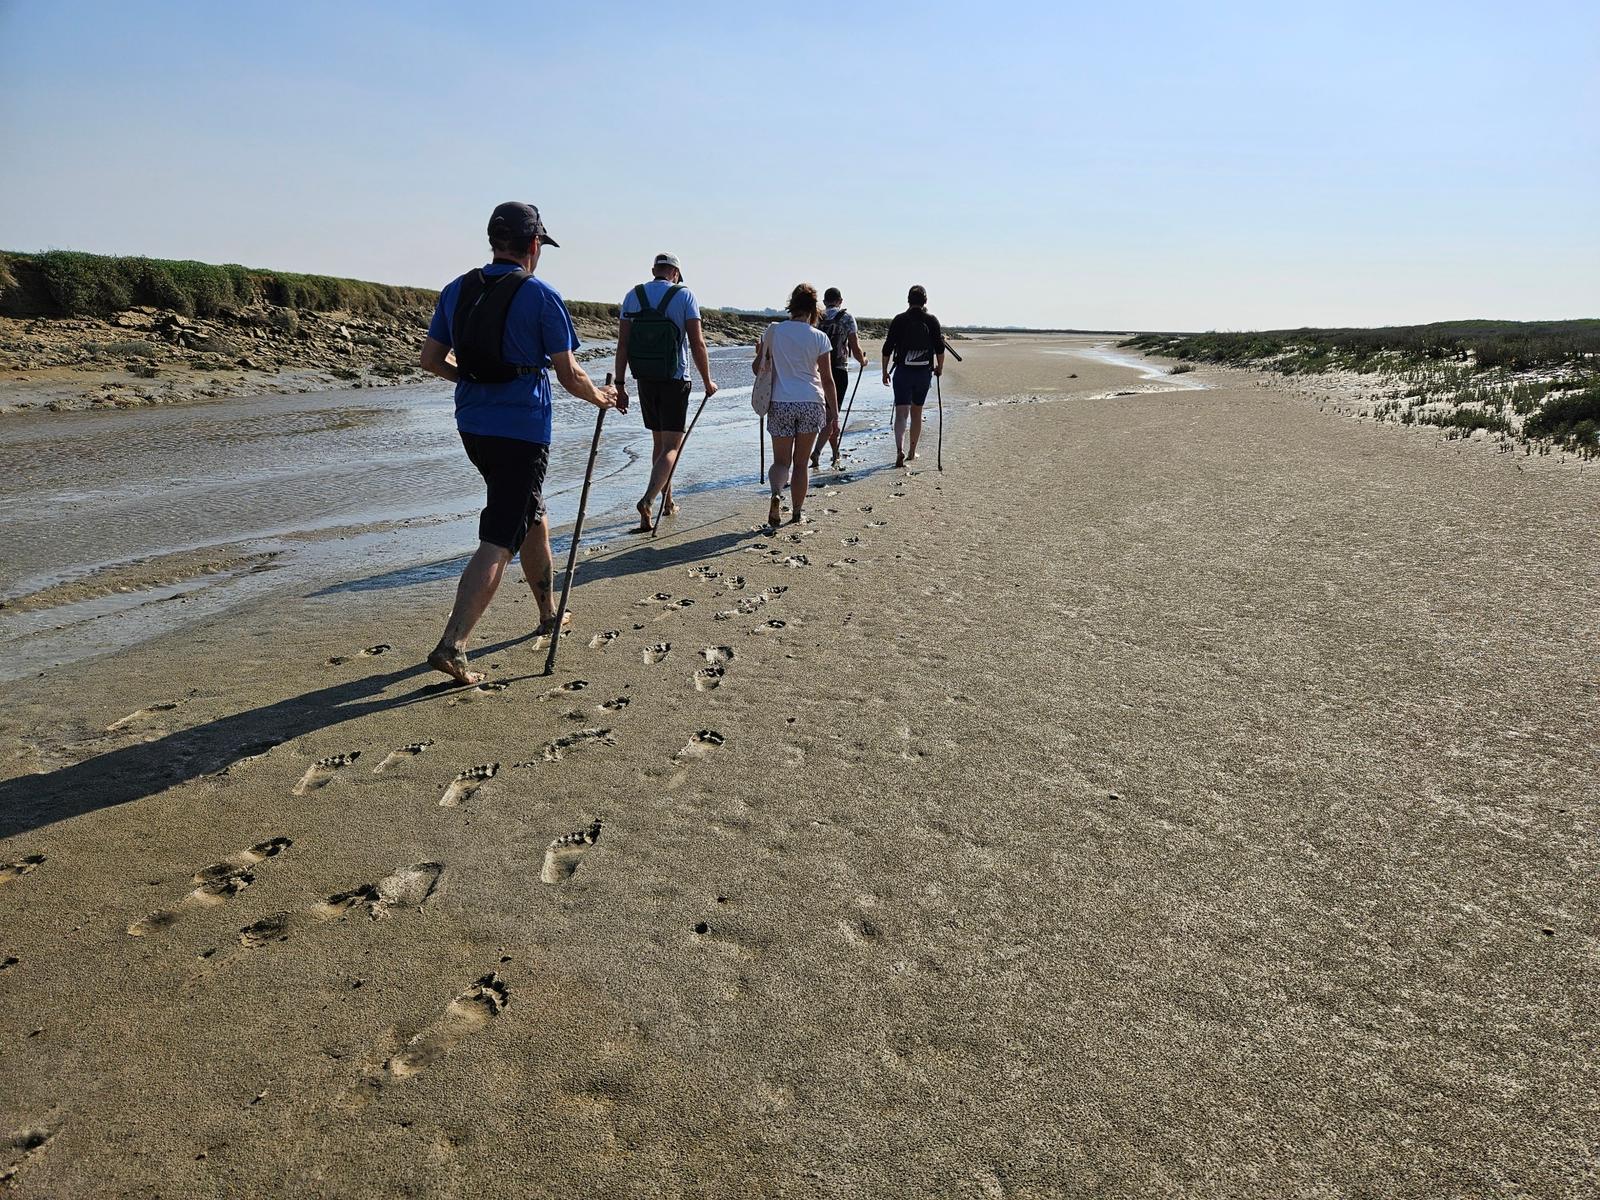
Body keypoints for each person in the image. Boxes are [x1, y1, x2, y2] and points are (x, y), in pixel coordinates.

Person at [419, 201, 618, 686]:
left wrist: (473, 381)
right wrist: (602, 397)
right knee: (500, 536)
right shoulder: (540, 295)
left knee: (532, 513)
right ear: (533, 244)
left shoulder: (457, 288)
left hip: (473, 426)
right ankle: (452, 644)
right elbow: (569, 373)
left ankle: (548, 612)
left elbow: (430, 360)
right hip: (521, 431)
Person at [614, 253, 717, 532]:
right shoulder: (684, 295)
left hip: (645, 379)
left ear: (654, 270)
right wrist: (708, 381)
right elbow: (697, 343)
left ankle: (667, 501)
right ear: (675, 273)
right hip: (674, 379)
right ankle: (649, 500)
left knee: (659, 446)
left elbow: (622, 345)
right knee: (672, 447)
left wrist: (620, 386)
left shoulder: (633, 295)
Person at [752, 283, 839, 527]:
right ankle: (797, 512)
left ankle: (776, 493)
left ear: (792, 305)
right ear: (814, 309)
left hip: (781, 402)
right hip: (811, 402)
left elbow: (757, 369)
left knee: (781, 462)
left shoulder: (774, 332)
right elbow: (827, 379)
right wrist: (834, 412)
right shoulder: (819, 337)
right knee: (801, 464)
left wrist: (760, 353)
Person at [881, 284, 945, 467]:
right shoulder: (931, 320)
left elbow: (887, 348)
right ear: (925, 300)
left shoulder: (899, 319)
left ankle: (899, 450)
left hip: (903, 372)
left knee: (901, 413)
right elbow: (940, 348)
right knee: (916, 413)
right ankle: (911, 451)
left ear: (908, 300)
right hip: (923, 373)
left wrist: (884, 371)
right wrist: (939, 368)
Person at [810, 287, 868, 469]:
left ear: (824, 301)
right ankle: (817, 451)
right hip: (838, 370)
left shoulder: (817, 317)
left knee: (826, 414)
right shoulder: (847, 318)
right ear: (840, 301)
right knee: (831, 416)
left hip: (817, 370)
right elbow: (855, 347)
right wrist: (863, 361)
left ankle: (835, 453)